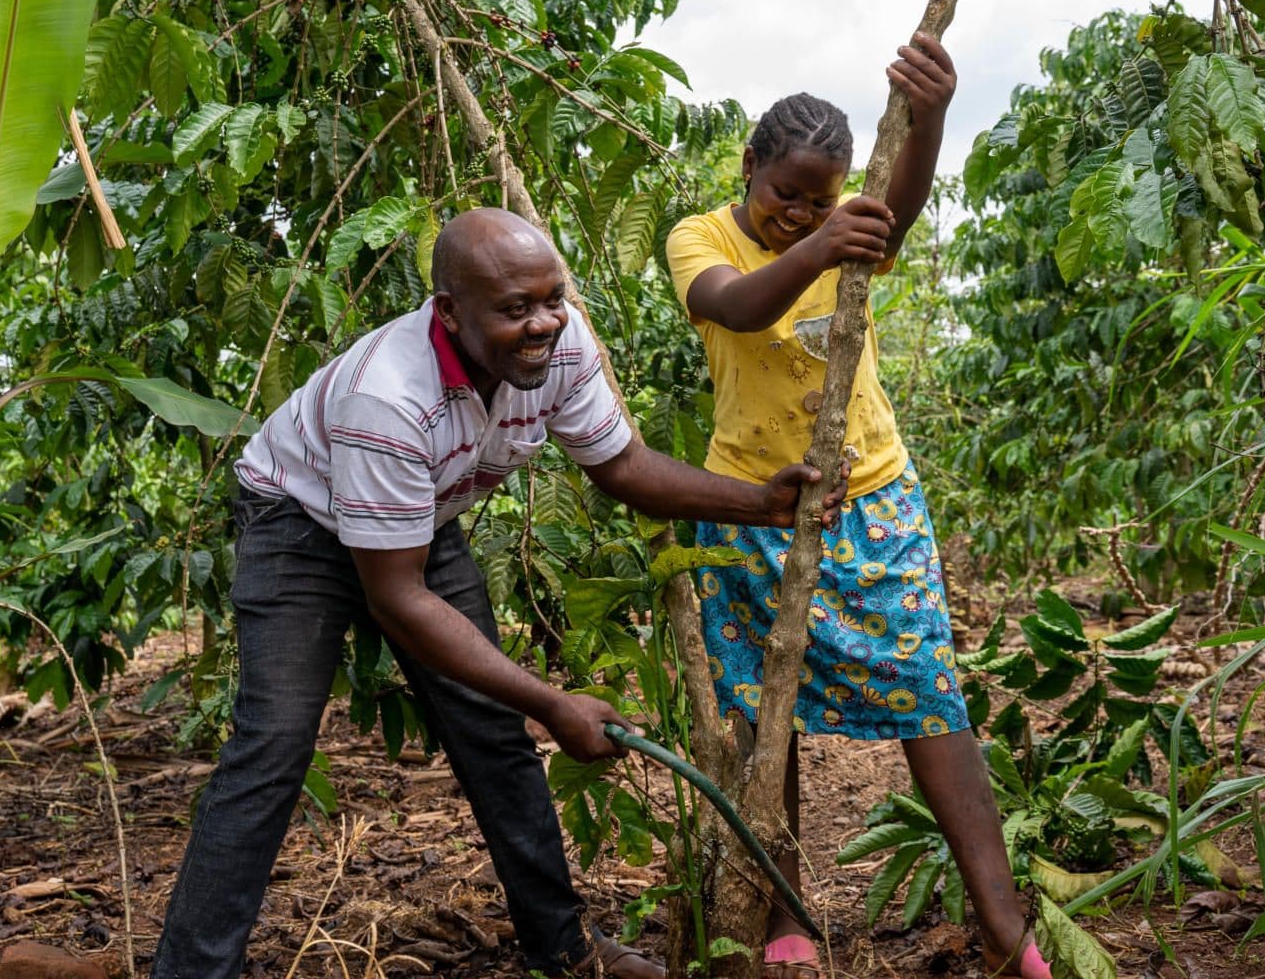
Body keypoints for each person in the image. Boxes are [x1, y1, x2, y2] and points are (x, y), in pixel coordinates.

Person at [152, 207, 849, 979]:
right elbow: (399, 599)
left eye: (552, 298)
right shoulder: (387, 397)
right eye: (515, 309)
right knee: (274, 746)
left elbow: (623, 469)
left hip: (417, 517)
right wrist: (553, 703)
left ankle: (566, 950)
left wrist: (763, 502)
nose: (543, 323)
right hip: (300, 522)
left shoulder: (562, 341)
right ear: (449, 312)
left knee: (491, 731)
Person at [662, 34, 1049, 979]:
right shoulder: (699, 237)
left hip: (872, 498)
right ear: (748, 167)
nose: (796, 215)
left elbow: (898, 211)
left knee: (928, 694)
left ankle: (1005, 929)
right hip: (750, 505)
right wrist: (821, 245)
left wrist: (932, 116)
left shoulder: (846, 234)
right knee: (767, 708)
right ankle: (786, 910)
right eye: (782, 193)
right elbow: (736, 307)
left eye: (818, 201)